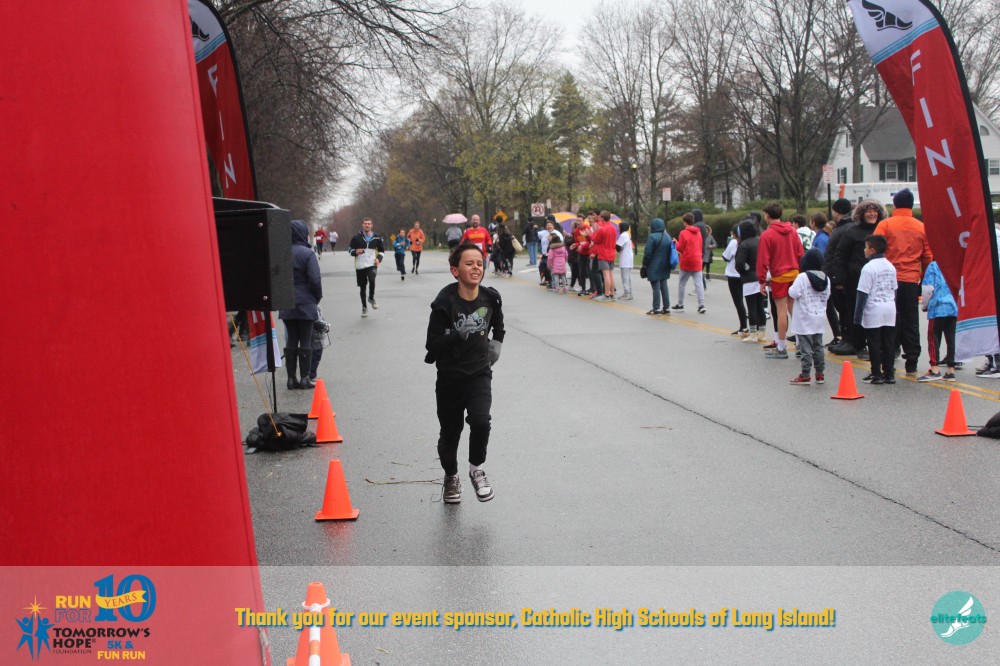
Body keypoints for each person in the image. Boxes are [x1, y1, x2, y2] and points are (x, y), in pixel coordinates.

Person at [424, 243, 505, 504]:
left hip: (479, 373)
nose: (476, 268)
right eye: (469, 264)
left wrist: (497, 341)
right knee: (451, 432)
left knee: (481, 421)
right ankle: (451, 476)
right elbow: (432, 345)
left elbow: (498, 322)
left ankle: (476, 469)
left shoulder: (491, 298)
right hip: (449, 377)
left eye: (479, 263)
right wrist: (457, 335)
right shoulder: (444, 302)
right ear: (455, 270)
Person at [874, 188, 933, 375]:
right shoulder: (921, 227)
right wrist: (923, 278)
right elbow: (928, 257)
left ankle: (888, 360)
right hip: (910, 279)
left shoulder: (885, 225)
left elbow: (874, 249)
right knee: (910, 321)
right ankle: (912, 361)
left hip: (888, 280)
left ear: (895, 205)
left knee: (888, 321)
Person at [833, 199, 887, 359]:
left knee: (878, 312)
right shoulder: (852, 231)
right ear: (861, 214)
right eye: (868, 211)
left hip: (879, 280)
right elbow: (840, 255)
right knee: (856, 312)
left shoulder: (882, 229)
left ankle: (880, 345)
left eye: (875, 211)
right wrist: (839, 279)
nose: (872, 214)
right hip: (855, 279)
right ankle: (859, 344)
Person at [756, 202, 804, 359]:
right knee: (794, 310)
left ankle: (782, 347)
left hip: (779, 276)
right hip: (794, 274)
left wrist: (762, 280)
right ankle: (800, 343)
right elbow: (800, 253)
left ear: (767, 215)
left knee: (781, 311)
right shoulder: (792, 232)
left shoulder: (767, 235)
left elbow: (763, 259)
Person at [279, 219, 323, 389]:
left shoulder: (282, 253)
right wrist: (316, 297)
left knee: (291, 339)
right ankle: (305, 378)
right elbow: (315, 279)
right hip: (305, 301)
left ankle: (291, 379)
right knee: (305, 339)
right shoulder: (307, 253)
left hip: (287, 301)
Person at [856, 234, 897, 384]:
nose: (864, 250)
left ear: (872, 250)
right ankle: (889, 373)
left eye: (866, 247)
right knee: (888, 343)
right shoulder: (890, 266)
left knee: (874, 343)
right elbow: (895, 290)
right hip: (889, 308)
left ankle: (876, 373)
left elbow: (862, 293)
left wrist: (857, 317)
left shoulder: (868, 268)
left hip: (874, 309)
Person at [788, 249, 831, 384]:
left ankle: (805, 374)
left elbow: (793, 293)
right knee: (818, 346)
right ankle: (820, 374)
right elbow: (828, 295)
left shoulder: (802, 277)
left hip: (804, 317)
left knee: (806, 347)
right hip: (819, 317)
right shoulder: (826, 279)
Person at [918, 260, 958, 382]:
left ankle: (935, 369)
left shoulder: (934, 266)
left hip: (938, 307)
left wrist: (924, 305)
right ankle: (951, 370)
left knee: (933, 338)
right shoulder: (954, 264)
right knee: (951, 339)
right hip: (953, 306)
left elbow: (928, 289)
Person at [824, 199, 855, 351]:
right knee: (844, 310)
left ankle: (849, 340)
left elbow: (839, 255)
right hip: (840, 275)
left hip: (841, 277)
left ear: (836, 211)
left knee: (845, 310)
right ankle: (845, 338)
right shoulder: (847, 227)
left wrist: (837, 277)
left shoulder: (844, 229)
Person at [735, 219, 766, 343]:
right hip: (761, 278)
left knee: (751, 307)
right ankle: (762, 332)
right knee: (760, 306)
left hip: (749, 279)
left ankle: (753, 334)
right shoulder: (761, 240)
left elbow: (739, 263)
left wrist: (745, 270)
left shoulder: (744, 244)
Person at [348, 217, 385, 317]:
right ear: (362, 225)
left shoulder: (377, 238)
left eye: (369, 224)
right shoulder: (356, 238)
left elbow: (382, 251)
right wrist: (355, 252)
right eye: (365, 223)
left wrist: (378, 259)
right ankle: (364, 307)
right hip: (360, 266)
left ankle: (371, 298)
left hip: (372, 264)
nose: (367, 225)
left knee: (372, 279)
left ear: (371, 225)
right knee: (363, 287)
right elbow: (350, 249)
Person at [673, 213, 705, 312]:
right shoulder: (698, 233)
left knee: (682, 283)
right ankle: (701, 305)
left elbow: (680, 248)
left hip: (687, 261)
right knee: (699, 284)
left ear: (685, 222)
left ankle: (680, 304)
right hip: (697, 260)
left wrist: (676, 242)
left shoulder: (683, 233)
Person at [642, 217, 673, 314]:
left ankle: (656, 308)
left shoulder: (652, 237)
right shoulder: (667, 237)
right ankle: (666, 307)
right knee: (664, 286)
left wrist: (645, 264)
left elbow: (648, 253)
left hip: (654, 266)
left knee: (655, 286)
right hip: (665, 265)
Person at [722, 224, 748, 337]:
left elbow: (725, 257)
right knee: (748, 301)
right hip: (744, 275)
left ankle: (743, 326)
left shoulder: (734, 242)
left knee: (738, 302)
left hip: (733, 274)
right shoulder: (747, 242)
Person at [591, 210, 617, 301]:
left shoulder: (602, 229)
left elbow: (595, 240)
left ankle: (606, 294)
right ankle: (612, 294)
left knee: (606, 275)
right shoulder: (613, 228)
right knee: (611, 274)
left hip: (603, 253)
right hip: (611, 253)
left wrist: (595, 231)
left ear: (602, 218)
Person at [307, 307, 331, 383]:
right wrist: (325, 326)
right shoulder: (313, 306)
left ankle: (295, 377)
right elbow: (317, 320)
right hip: (315, 336)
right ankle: (311, 375)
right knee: (315, 355)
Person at [572, 214, 592, 295]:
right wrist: (575, 245)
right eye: (577, 221)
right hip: (581, 253)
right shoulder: (576, 231)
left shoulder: (587, 228)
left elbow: (591, 241)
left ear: (583, 221)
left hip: (589, 252)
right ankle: (583, 288)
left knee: (590, 271)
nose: (578, 222)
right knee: (581, 271)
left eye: (580, 221)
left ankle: (593, 288)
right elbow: (578, 242)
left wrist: (582, 246)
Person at [616, 220, 634, 300]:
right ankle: (629, 292)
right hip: (628, 257)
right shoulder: (627, 235)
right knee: (628, 276)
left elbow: (618, 247)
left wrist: (616, 246)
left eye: (619, 227)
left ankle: (627, 293)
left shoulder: (623, 235)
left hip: (625, 258)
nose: (618, 229)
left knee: (625, 277)